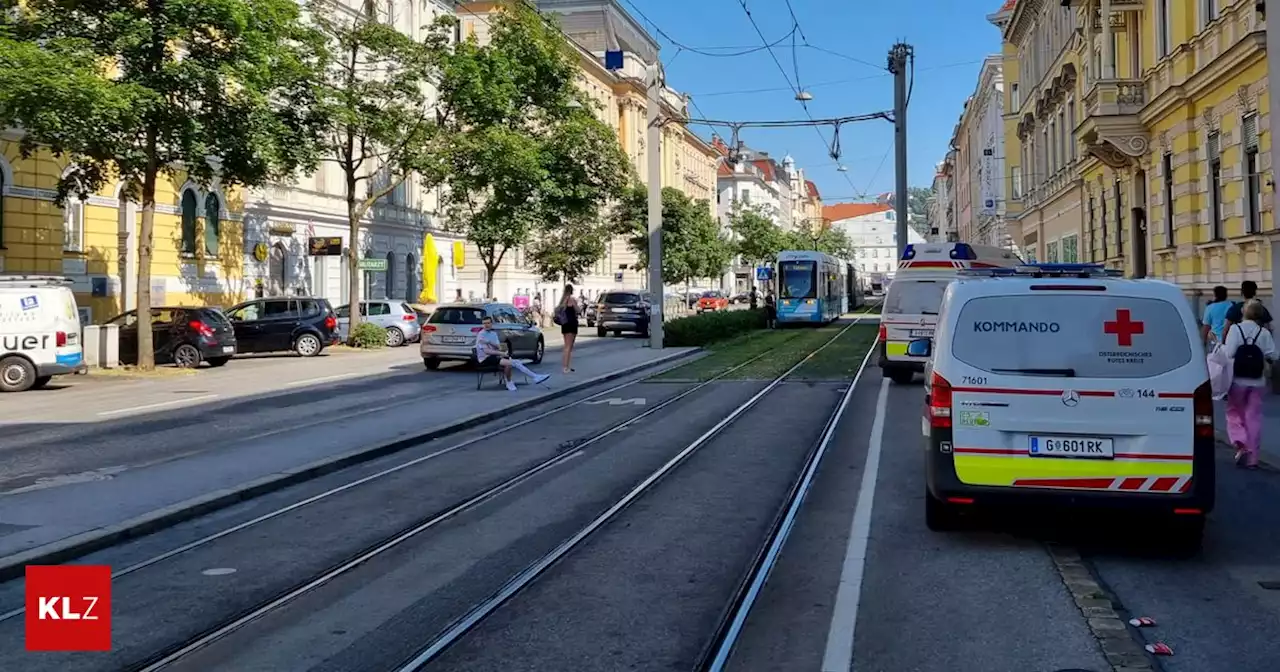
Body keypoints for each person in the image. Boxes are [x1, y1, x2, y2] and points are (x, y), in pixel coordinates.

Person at [1223, 300, 1277, 468]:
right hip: (1258, 380)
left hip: (1238, 380)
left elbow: (1229, 352)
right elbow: (1273, 356)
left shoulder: (1235, 329)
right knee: (1253, 418)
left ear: (1243, 313)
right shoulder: (1264, 332)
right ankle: (1253, 458)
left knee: (1233, 413)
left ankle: (1241, 442)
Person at [475, 315, 549, 391]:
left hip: (495, 356)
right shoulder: (481, 335)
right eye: (484, 323)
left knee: (515, 362)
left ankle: (534, 377)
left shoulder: (493, 334)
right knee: (510, 363)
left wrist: (489, 342)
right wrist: (501, 353)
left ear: (491, 324)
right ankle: (513, 381)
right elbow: (486, 351)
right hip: (485, 359)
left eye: (488, 323)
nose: (486, 325)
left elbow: (498, 347)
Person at [557, 283, 579, 374]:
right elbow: (578, 310)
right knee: (569, 347)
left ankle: (566, 366)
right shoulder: (571, 300)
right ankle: (566, 367)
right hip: (571, 324)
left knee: (566, 346)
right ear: (571, 290)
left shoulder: (562, 301)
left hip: (564, 324)